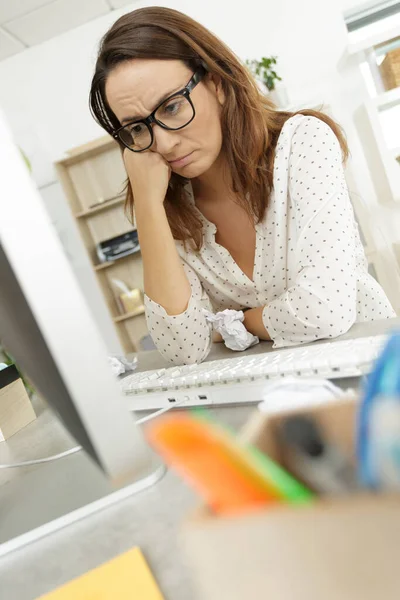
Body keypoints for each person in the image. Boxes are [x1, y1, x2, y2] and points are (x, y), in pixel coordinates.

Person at [89, 6, 395, 365]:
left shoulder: (302, 142)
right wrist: (147, 205)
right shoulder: (167, 202)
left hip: (372, 371)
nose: (164, 144)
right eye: (138, 128)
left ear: (216, 83)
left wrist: (236, 323)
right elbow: (183, 350)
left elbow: (325, 308)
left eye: (172, 107)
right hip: (276, 392)